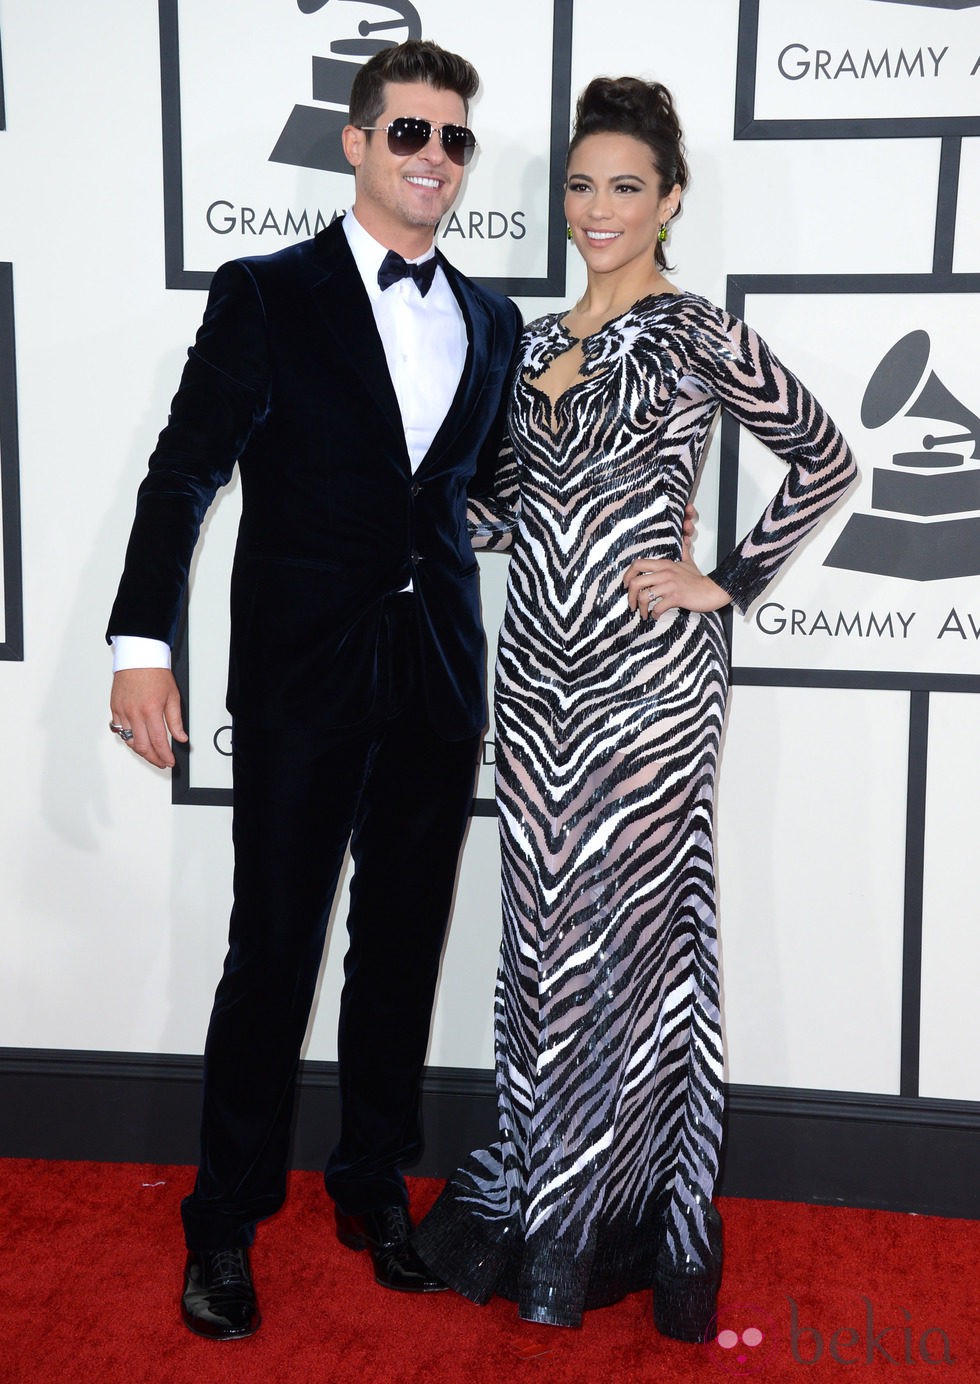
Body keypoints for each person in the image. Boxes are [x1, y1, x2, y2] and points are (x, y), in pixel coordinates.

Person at [413, 76, 857, 1342]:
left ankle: (595, 1227)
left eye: (623, 186)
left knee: (624, 946)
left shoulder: (698, 330)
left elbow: (826, 458)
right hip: (537, 674)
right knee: (542, 943)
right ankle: (537, 1193)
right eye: (578, 185)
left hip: (653, 683)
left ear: (668, 201)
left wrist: (727, 580)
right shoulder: (529, 333)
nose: (596, 208)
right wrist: (398, 503)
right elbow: (507, 511)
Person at [106, 39, 522, 1341]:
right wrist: (141, 648)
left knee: (399, 948)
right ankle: (223, 1219)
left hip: (440, 673)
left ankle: (368, 1186)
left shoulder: (495, 320)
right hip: (298, 677)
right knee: (272, 950)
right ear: (355, 143)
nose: (434, 160)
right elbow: (183, 476)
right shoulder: (266, 294)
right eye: (410, 133)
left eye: (454, 138)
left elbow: (488, 495)